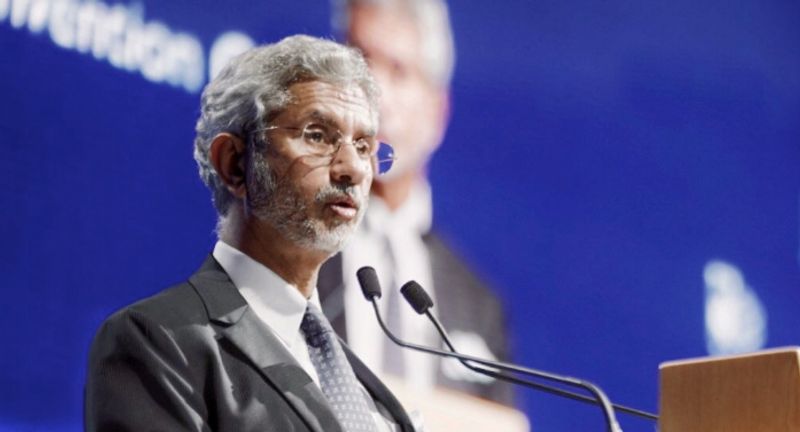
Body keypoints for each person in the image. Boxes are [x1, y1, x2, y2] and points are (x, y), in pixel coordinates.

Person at [85, 35, 416, 432]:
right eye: (317, 135)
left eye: (363, 146)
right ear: (234, 163)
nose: (354, 169)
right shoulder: (158, 341)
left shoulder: (366, 389)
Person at [319, 0, 514, 405]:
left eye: (399, 70)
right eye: (360, 64)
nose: (375, 94)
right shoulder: (280, 251)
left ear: (437, 112)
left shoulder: (479, 307)